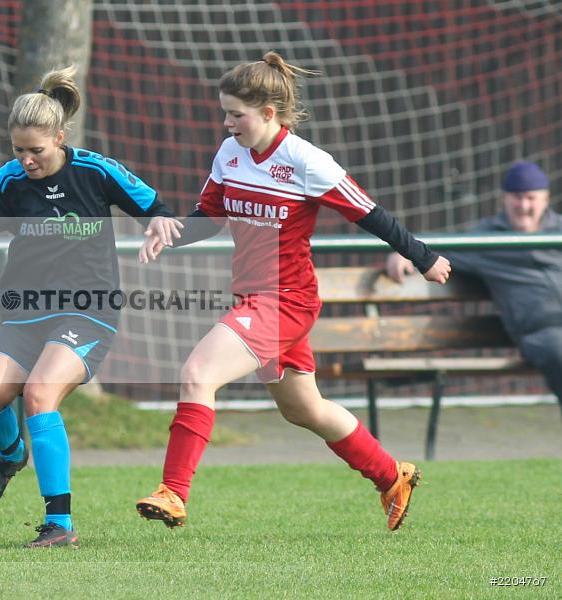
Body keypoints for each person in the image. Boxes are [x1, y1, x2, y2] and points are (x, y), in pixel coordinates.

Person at [134, 52, 452, 532]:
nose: (227, 122)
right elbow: (211, 218)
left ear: (268, 113)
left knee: (198, 373)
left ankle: (173, 493)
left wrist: (424, 257)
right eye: (224, 112)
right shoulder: (229, 153)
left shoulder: (307, 162)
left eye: (235, 114)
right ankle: (392, 476)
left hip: (286, 300)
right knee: (304, 408)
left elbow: (371, 213)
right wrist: (170, 230)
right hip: (253, 297)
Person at [0, 66, 181, 548]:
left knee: (38, 394)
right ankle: (12, 455)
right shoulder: (6, 181)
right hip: (26, 312)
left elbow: (153, 204)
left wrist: (159, 223)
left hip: (88, 310)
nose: (27, 160)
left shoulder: (96, 171)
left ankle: (60, 524)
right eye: (18, 150)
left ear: (59, 137)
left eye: (36, 150)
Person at [386, 161, 562, 413]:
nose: (524, 206)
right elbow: (439, 252)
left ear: (545, 199)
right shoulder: (486, 239)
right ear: (504, 199)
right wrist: (406, 252)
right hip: (541, 334)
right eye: (517, 198)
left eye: (531, 198)